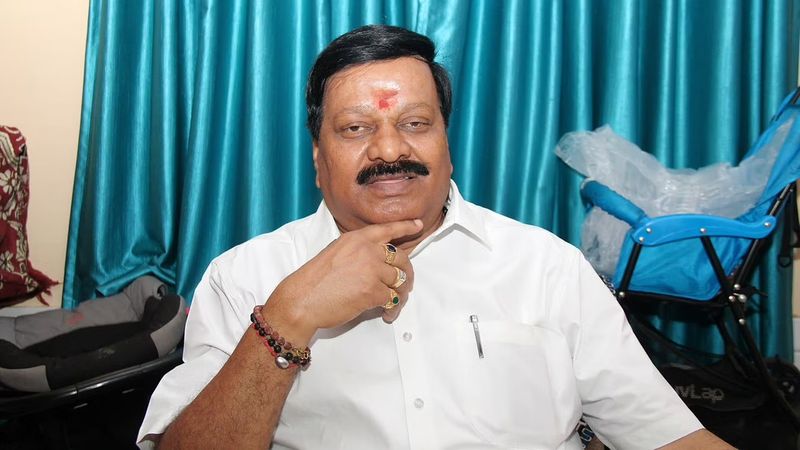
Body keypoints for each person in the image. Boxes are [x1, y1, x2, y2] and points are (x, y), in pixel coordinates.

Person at [138, 24, 732, 449]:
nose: (389, 149)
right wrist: (288, 318)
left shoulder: (547, 266)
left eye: (415, 123)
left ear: (448, 146)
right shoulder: (245, 277)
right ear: (318, 160)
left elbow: (667, 435)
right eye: (356, 128)